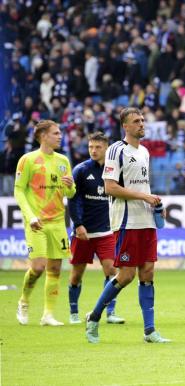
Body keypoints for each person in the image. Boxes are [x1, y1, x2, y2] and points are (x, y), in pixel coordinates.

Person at [85, 107, 170, 343]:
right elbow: (110, 187)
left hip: (145, 220)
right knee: (125, 276)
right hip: (125, 220)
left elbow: (142, 186)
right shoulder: (116, 150)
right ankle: (93, 317)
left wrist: (154, 203)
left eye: (143, 120)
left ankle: (150, 331)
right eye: (136, 121)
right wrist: (144, 197)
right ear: (125, 126)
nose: (142, 124)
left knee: (148, 272)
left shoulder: (144, 151)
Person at [15, 120, 76, 326]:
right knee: (38, 267)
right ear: (43, 136)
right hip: (36, 222)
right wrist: (30, 216)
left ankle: (47, 315)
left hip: (58, 221)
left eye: (60, 133)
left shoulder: (63, 161)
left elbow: (70, 193)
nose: (60, 136)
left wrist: (70, 186)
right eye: (56, 133)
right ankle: (24, 301)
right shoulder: (28, 160)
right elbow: (19, 190)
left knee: (55, 269)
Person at [67, 132, 125, 325]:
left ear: (106, 149)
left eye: (98, 147)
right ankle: (74, 313)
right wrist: (78, 225)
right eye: (91, 147)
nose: (93, 150)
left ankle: (110, 312)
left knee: (111, 270)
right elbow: (73, 200)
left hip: (106, 231)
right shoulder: (81, 170)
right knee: (76, 274)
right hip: (83, 232)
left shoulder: (114, 170)